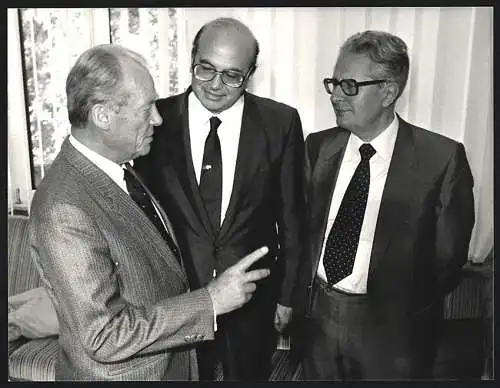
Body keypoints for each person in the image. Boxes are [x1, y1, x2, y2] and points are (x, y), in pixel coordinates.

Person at [28, 44, 271, 381]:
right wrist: (210, 302)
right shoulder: (64, 207)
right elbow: (103, 336)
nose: (158, 118)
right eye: (147, 108)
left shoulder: (122, 169)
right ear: (103, 116)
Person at [133, 17, 305, 380]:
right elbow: (141, 216)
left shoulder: (280, 122)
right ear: (192, 58)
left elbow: (292, 218)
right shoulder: (156, 119)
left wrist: (288, 296)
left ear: (251, 73)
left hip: (252, 300)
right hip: (177, 299)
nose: (214, 85)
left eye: (232, 75)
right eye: (205, 69)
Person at [298, 30, 475, 379]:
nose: (335, 95)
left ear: (388, 92)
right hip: (318, 319)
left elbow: (448, 259)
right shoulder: (317, 147)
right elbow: (304, 231)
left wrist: (401, 310)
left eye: (349, 85)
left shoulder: (440, 158)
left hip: (393, 334)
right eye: (333, 83)